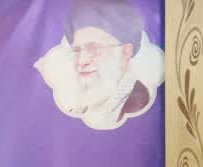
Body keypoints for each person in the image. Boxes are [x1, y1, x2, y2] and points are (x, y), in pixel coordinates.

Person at [65, 0, 151, 128]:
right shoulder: (79, 108)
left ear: (125, 53)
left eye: (93, 48)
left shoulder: (138, 107)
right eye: (77, 50)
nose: (82, 61)